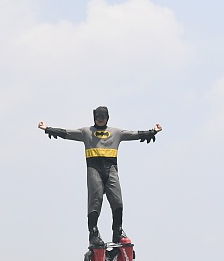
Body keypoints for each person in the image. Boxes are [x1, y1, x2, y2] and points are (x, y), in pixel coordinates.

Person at [38, 106, 162, 247]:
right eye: (98, 119)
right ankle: (93, 233)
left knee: (117, 200)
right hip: (94, 169)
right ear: (94, 118)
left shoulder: (116, 132)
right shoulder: (86, 132)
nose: (100, 121)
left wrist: (152, 132)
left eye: (103, 119)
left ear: (107, 118)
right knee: (95, 200)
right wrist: (48, 129)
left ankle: (118, 232)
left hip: (111, 170)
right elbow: (67, 133)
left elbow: (134, 134)